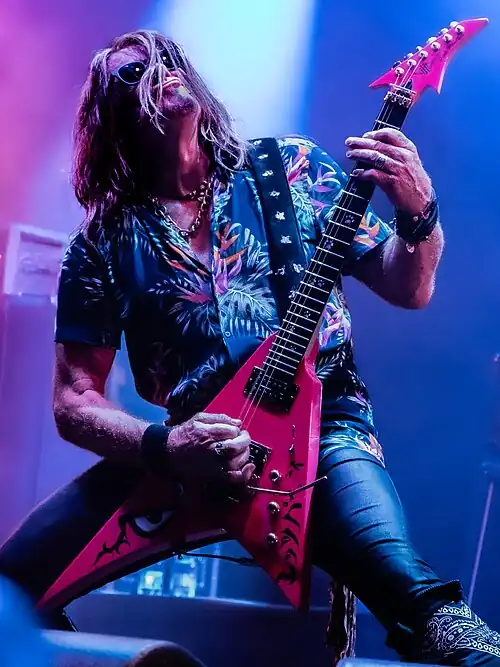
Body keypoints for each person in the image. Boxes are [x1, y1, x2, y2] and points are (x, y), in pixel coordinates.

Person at [0, 28, 499, 667]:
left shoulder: (290, 169)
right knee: (8, 589)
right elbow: (74, 401)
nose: (157, 67)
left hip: (323, 431)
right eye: (131, 71)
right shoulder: (101, 243)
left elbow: (410, 287)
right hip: (189, 449)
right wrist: (168, 447)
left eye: (167, 57)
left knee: (419, 600)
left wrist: (420, 211)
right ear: (109, 117)